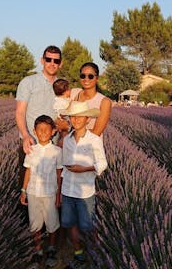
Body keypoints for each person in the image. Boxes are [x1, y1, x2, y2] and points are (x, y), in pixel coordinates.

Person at [59, 101, 107, 268]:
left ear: (87, 119)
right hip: (67, 190)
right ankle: (78, 253)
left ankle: (95, 251)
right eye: (73, 116)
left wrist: (85, 168)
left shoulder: (94, 139)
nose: (76, 119)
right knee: (70, 223)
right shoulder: (66, 140)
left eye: (80, 116)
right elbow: (63, 163)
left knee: (87, 225)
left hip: (85, 191)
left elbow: (102, 163)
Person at [19, 115, 63, 268]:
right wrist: (23, 190)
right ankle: (37, 251)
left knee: (52, 223)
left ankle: (51, 249)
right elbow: (28, 171)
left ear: (53, 132)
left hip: (50, 193)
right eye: (40, 130)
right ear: (34, 131)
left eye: (46, 130)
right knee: (34, 223)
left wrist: (59, 196)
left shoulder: (57, 152)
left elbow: (59, 175)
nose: (43, 132)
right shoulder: (31, 150)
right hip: (33, 192)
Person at [70, 62, 112, 137]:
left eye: (90, 76)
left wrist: (71, 135)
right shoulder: (74, 94)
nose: (86, 79)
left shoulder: (104, 102)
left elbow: (96, 132)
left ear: (97, 78)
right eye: (83, 76)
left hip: (91, 146)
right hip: (72, 145)